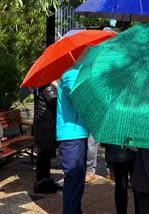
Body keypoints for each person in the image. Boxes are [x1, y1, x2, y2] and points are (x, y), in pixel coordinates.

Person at [57, 64, 89, 214]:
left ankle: (75, 210)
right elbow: (79, 96)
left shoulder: (77, 72)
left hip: (78, 134)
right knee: (74, 177)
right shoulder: (70, 74)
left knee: (78, 179)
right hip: (71, 135)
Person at [33, 82, 62, 194]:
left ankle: (45, 181)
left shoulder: (43, 85)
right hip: (46, 127)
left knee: (45, 156)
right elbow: (55, 102)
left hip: (45, 126)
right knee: (44, 156)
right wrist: (58, 89)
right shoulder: (47, 86)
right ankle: (42, 184)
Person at [102, 144, 137, 214]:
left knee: (120, 186)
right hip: (137, 153)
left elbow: (104, 143)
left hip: (118, 153)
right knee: (138, 188)